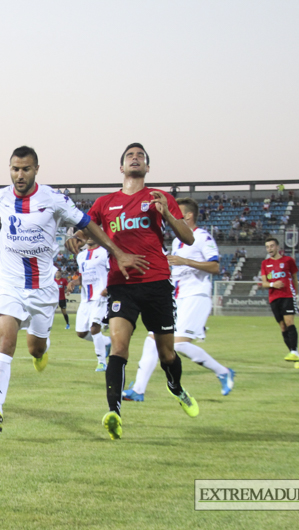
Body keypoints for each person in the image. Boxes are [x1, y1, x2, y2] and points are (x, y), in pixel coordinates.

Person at [0, 146, 141, 435]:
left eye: (26, 169)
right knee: (6, 341)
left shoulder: (53, 200)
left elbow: (89, 223)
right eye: (15, 168)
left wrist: (116, 251)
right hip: (7, 281)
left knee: (35, 348)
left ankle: (43, 348)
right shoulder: (2, 196)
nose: (19, 174)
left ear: (36, 169)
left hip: (41, 287)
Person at [68, 142, 197, 440]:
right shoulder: (104, 202)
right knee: (119, 346)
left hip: (156, 283)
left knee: (167, 354)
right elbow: (86, 229)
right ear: (121, 167)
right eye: (130, 156)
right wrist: (74, 236)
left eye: (140, 156)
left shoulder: (160, 197)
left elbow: (188, 238)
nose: (135, 158)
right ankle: (114, 412)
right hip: (121, 284)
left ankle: (175, 387)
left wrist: (168, 215)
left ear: (147, 167)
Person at [123, 198, 235, 401]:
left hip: (196, 296)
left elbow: (215, 267)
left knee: (177, 344)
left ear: (189, 216)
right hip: (177, 297)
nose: (171, 215)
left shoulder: (202, 237)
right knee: (152, 340)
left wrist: (185, 261)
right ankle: (138, 390)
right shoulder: (176, 241)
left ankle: (223, 371)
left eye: (177, 212)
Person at [67, 238, 112, 372]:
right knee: (81, 333)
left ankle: (102, 362)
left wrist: (109, 288)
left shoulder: (105, 252)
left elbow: (112, 272)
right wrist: (73, 283)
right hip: (85, 299)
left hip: (101, 297)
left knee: (94, 328)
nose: (88, 237)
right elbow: (84, 276)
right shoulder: (81, 256)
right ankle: (106, 342)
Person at [260, 237, 299, 363]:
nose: (270, 249)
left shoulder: (288, 260)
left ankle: (294, 351)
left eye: (272, 246)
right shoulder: (265, 263)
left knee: (289, 322)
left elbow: (294, 277)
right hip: (274, 298)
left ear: (277, 247)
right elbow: (264, 283)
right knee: (282, 326)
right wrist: (273, 285)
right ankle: (293, 353)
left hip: (287, 295)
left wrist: (296, 293)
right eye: (267, 247)